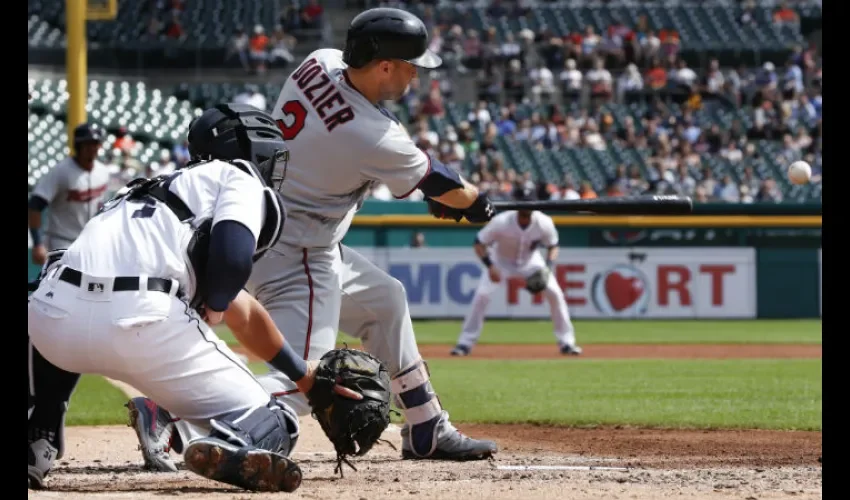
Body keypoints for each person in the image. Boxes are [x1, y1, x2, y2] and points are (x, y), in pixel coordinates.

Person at [130, 7, 498, 471]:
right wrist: (476, 202)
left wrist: (443, 193)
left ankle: (425, 424)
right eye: (409, 66)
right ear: (384, 65)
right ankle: (172, 414)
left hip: (277, 230)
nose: (413, 77)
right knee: (308, 385)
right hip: (299, 253)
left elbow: (407, 173)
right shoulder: (375, 135)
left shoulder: (320, 60)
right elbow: (440, 179)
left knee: (386, 301)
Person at [28, 104, 361, 492]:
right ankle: (229, 441)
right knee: (275, 420)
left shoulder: (144, 188)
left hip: (51, 324)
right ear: (254, 151)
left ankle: (38, 435)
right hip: (145, 324)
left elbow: (246, 314)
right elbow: (234, 256)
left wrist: (304, 376)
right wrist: (216, 303)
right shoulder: (238, 177)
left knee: (54, 293)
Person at [451, 190, 582, 356]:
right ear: (517, 205)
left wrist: (548, 268)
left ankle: (567, 342)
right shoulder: (501, 221)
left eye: (530, 204)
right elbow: (479, 243)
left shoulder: (544, 222)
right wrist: (490, 266)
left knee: (555, 294)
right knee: (482, 296)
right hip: (500, 261)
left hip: (531, 262)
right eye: (524, 204)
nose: (526, 208)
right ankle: (464, 343)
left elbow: (553, 246)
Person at [28, 122, 110, 265]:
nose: (92, 147)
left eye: (95, 143)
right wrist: (37, 243)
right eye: (87, 143)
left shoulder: (103, 171)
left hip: (90, 242)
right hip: (61, 242)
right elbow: (35, 205)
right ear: (78, 145)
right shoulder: (61, 171)